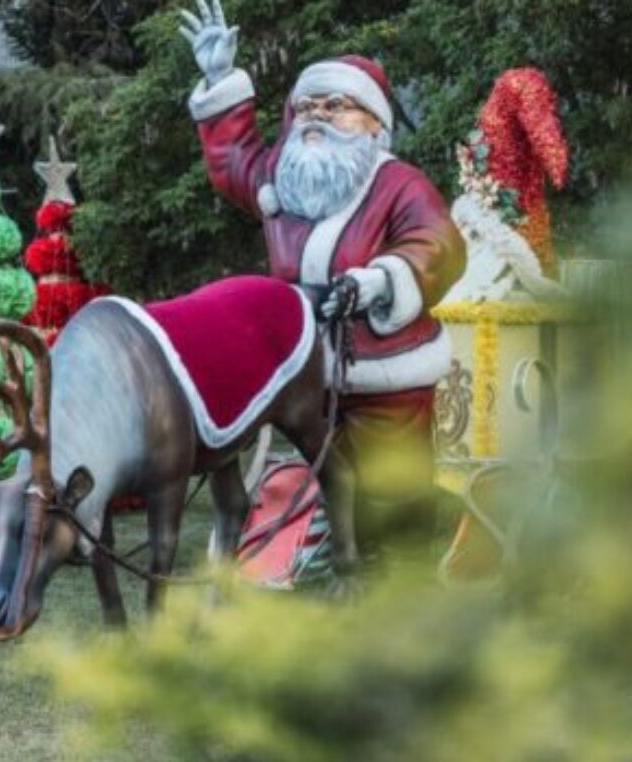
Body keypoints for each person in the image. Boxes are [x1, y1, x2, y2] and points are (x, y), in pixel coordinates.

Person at [179, 0, 466, 573]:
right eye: (305, 106)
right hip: (305, 365)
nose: (315, 116)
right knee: (322, 467)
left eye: (335, 106)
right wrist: (219, 80)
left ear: (375, 124)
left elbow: (439, 244)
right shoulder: (285, 179)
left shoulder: (398, 182)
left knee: (391, 478)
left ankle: (400, 553)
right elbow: (234, 159)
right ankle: (323, 547)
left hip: (386, 367)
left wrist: (376, 282)